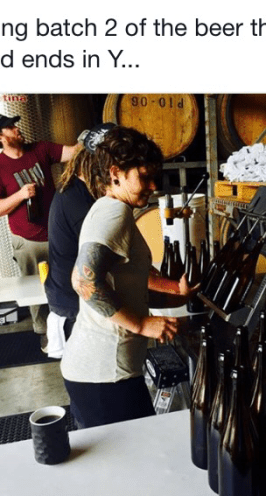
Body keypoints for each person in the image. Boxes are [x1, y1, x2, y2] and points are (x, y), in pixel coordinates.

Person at [60, 126, 196, 428]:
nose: (153, 186)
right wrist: (141, 324)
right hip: (104, 375)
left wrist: (177, 294)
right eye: (144, 177)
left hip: (104, 372)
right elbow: (83, 281)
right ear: (115, 174)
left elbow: (127, 284)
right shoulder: (114, 213)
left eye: (154, 177)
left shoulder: (111, 208)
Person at [0, 113, 81, 350]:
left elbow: (72, 152)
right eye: (10, 127)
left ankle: (75, 326)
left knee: (69, 281)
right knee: (36, 291)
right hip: (27, 241)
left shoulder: (40, 149)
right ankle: (43, 332)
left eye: (15, 125)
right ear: (0, 137)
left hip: (58, 234)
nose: (17, 129)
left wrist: (89, 139)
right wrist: (20, 195)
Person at [44, 123, 116, 351]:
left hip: (74, 297)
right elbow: (104, 258)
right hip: (74, 305)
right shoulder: (77, 203)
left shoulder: (80, 190)